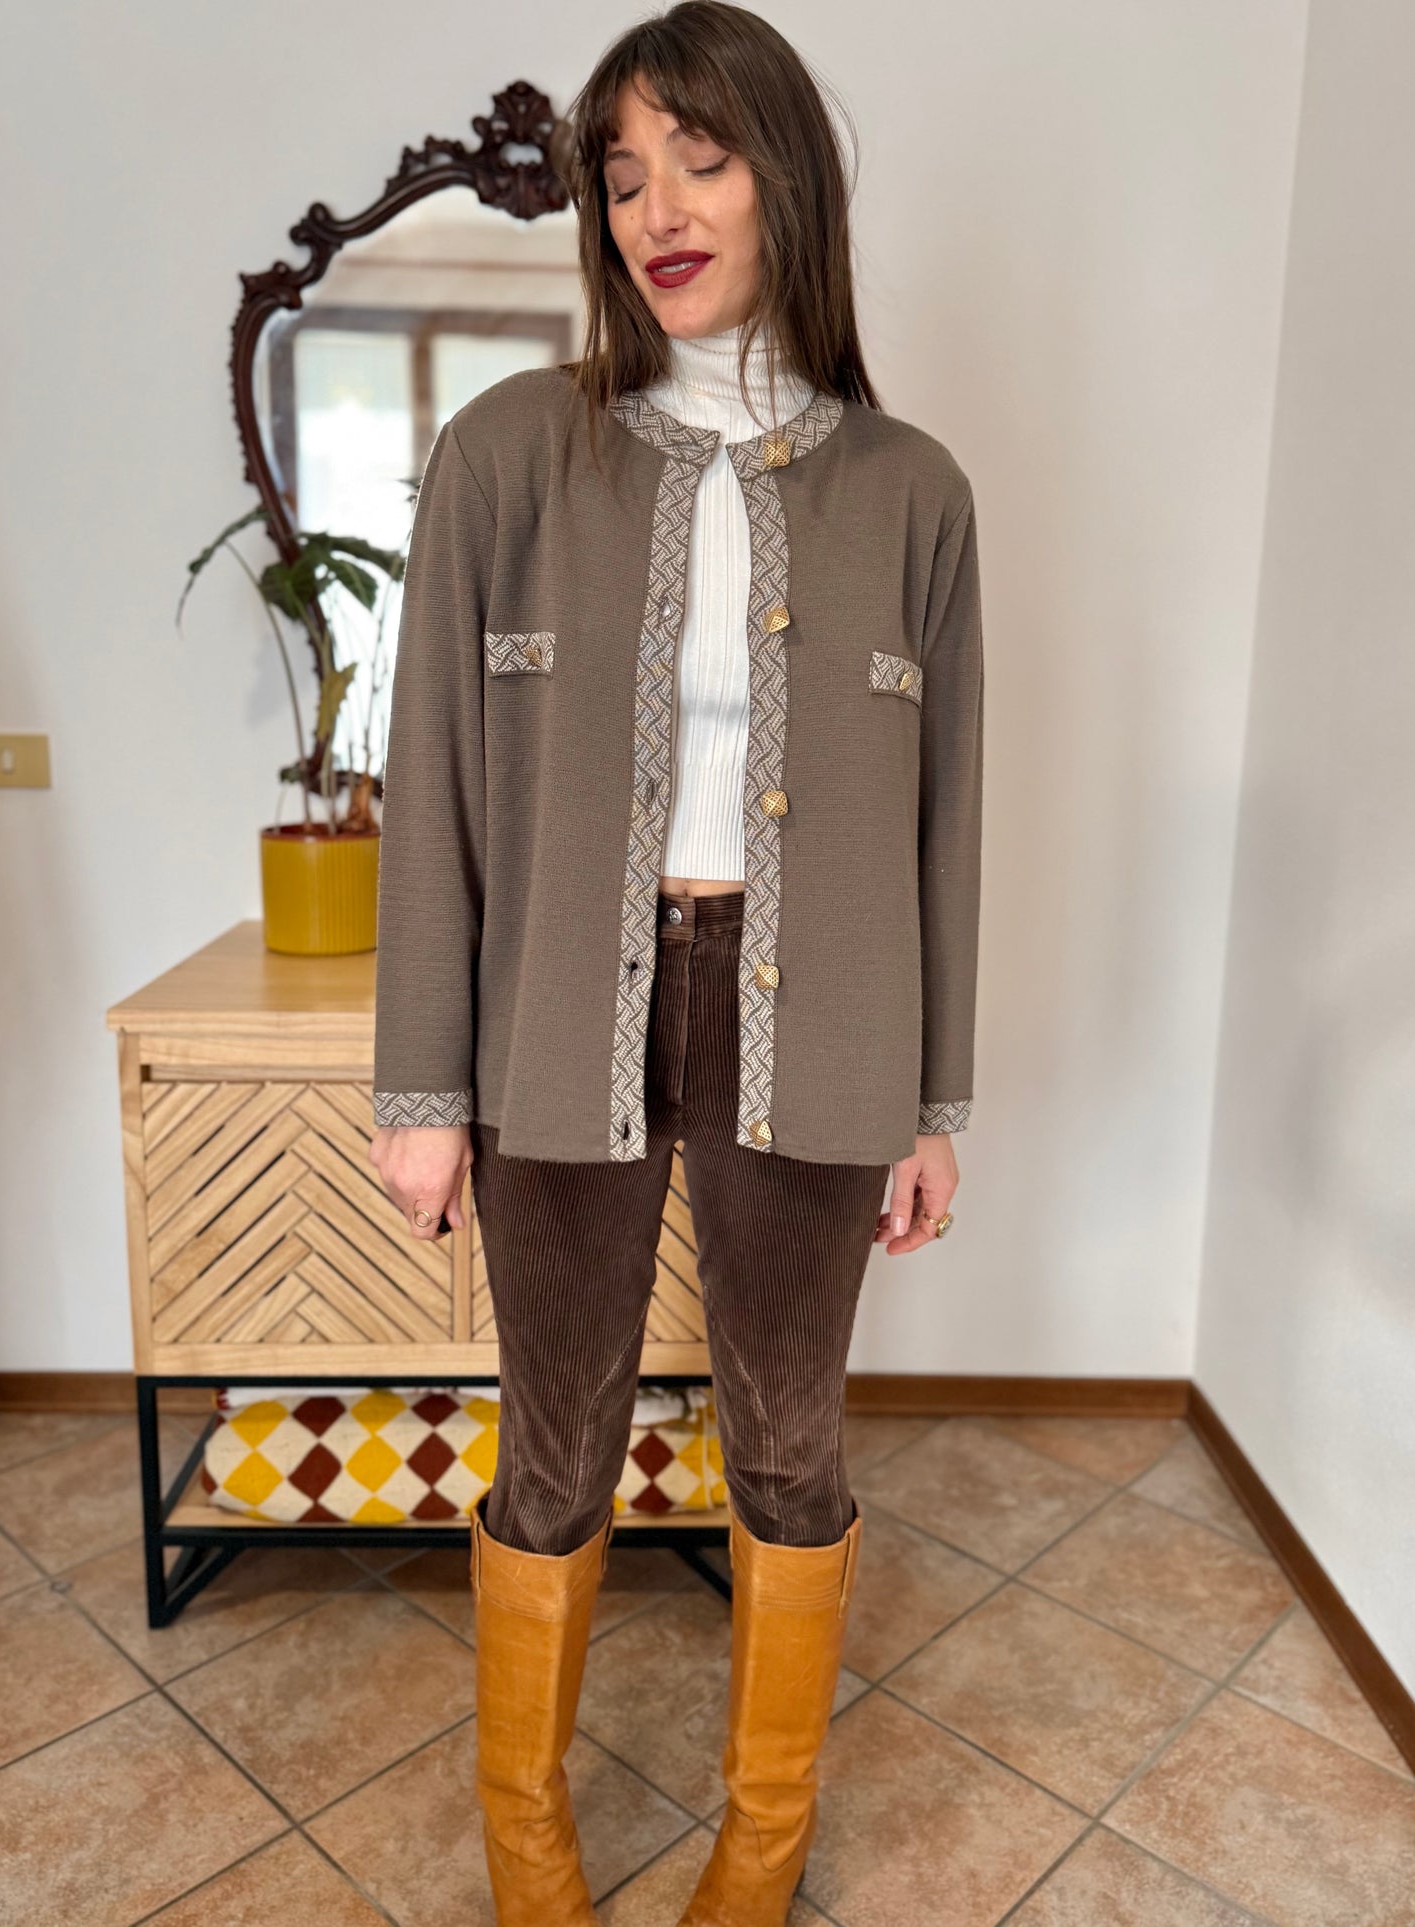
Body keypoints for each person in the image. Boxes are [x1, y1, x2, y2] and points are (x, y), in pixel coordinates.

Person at [369, 3, 984, 1920]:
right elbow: (436, 791)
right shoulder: (505, 458)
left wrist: (934, 1101)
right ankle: (529, 1850)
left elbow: (944, 818)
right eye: (620, 176)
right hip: (566, 1010)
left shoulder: (912, 490)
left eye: (699, 158)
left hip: (822, 1026)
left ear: (786, 170)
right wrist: (423, 1088)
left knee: (788, 1447)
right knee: (552, 1442)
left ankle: (762, 1847)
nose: (658, 209)